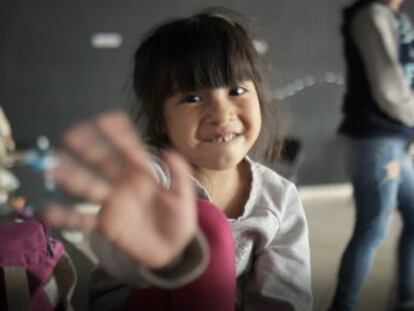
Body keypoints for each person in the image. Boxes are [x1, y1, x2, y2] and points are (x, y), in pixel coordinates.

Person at [43, 8, 313, 311]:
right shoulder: (150, 177)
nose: (221, 113)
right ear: (160, 119)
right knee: (205, 221)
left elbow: (286, 300)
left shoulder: (279, 197)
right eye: (193, 98)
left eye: (236, 90)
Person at [330, 0, 414, 310]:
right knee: (372, 229)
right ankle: (343, 305)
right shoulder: (372, 15)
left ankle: (406, 296)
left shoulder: (394, 17)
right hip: (376, 142)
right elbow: (390, 88)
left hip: (392, 142)